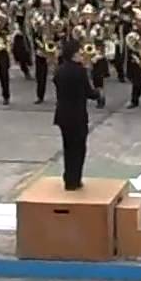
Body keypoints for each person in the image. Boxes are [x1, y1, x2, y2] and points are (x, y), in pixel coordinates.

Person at [54, 43, 99, 190]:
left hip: (62, 115)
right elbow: (89, 93)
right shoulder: (80, 71)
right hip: (77, 115)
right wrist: (98, 92)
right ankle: (75, 179)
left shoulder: (59, 70)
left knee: (68, 147)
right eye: (80, 52)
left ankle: (68, 178)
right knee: (79, 148)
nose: (82, 54)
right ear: (73, 54)